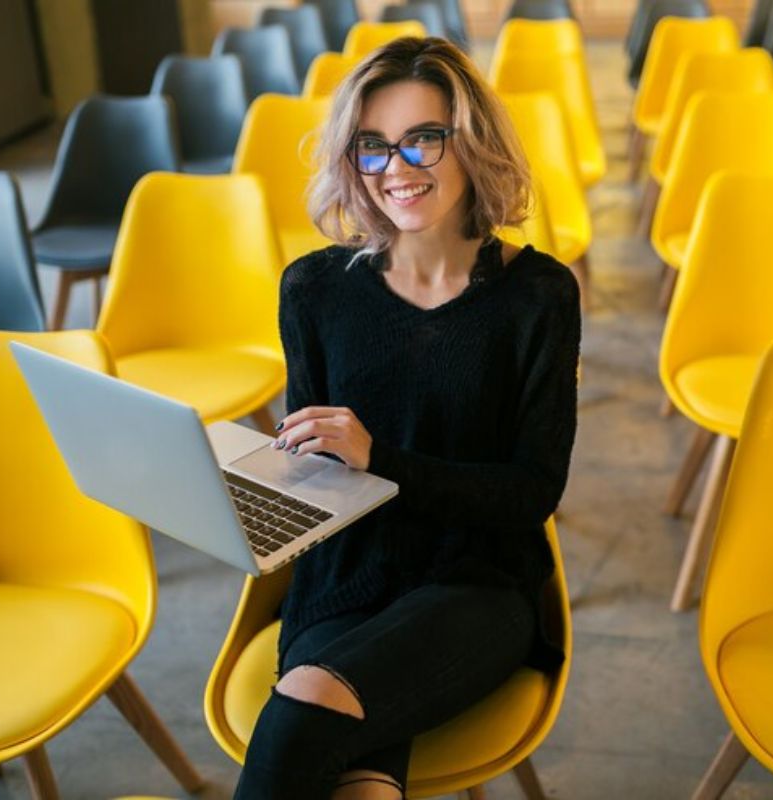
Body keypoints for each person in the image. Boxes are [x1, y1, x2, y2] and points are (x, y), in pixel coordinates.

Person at [234, 36, 581, 800]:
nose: (398, 169)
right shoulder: (314, 289)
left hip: (477, 583)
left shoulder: (538, 296)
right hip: (349, 576)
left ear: (472, 145)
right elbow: (321, 468)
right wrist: (244, 496)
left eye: (424, 139)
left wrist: (379, 456)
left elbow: (530, 494)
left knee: (309, 700)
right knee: (361, 789)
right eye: (373, 147)